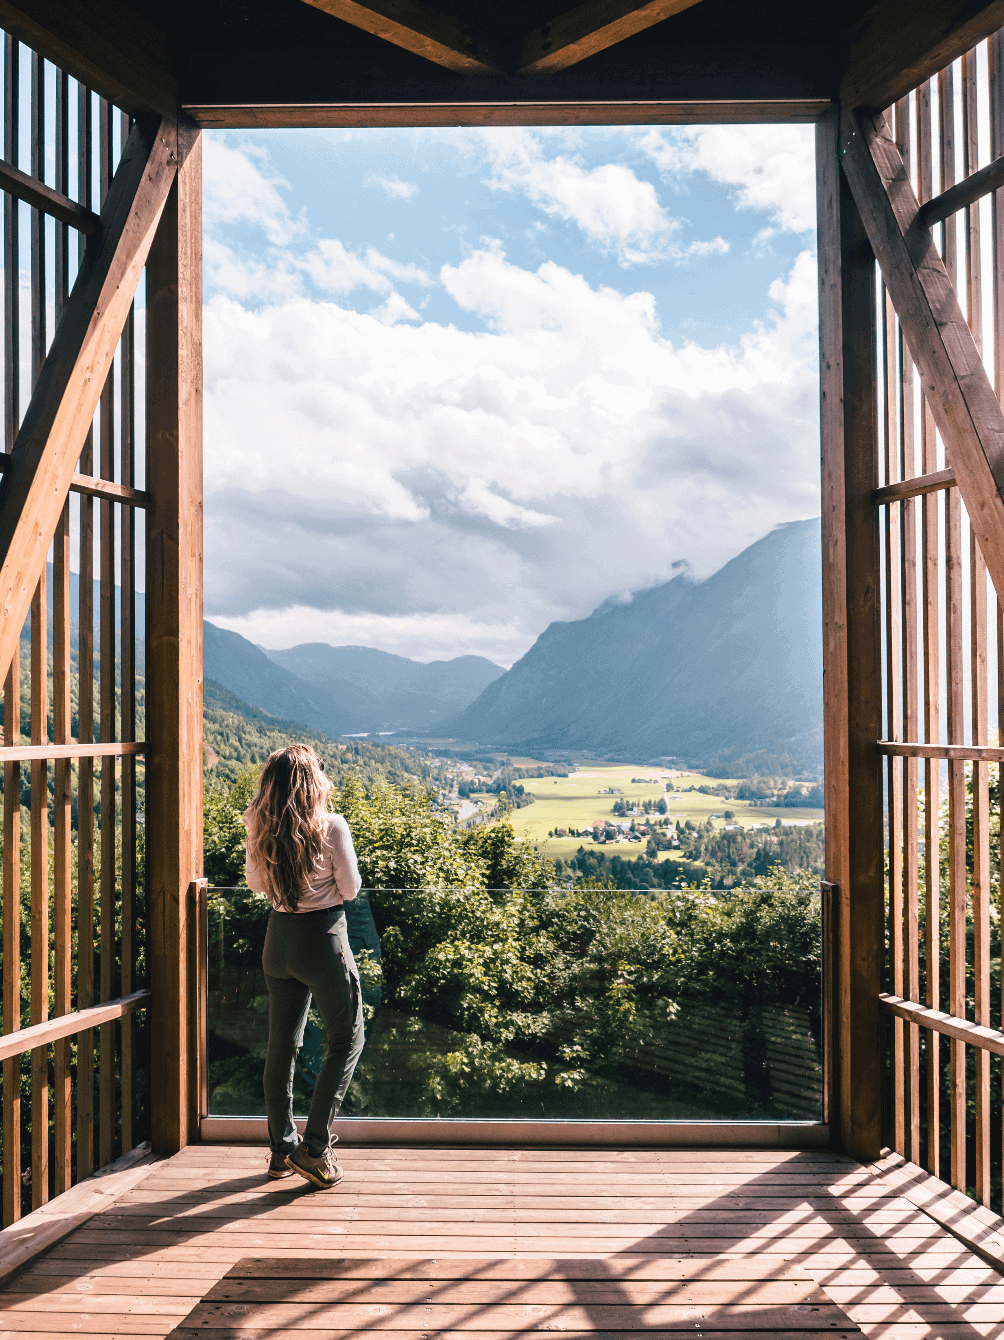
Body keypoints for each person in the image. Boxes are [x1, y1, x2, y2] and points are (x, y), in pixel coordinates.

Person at [244, 744, 365, 1190]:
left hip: (278, 941)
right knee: (347, 1039)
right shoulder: (331, 826)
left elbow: (256, 884)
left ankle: (280, 1149)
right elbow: (350, 890)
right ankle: (312, 1150)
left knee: (282, 1045)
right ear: (315, 782)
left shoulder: (258, 824)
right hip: (323, 940)